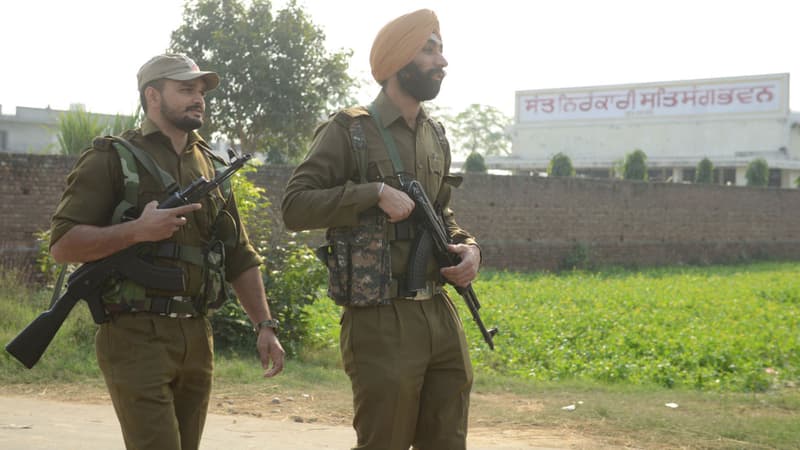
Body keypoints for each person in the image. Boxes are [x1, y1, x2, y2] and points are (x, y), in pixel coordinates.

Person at [49, 53, 285, 450]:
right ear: (153, 96)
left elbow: (239, 254)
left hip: (196, 333)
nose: (199, 98)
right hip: (135, 333)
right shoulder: (112, 157)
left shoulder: (210, 165)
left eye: (201, 91)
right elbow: (63, 244)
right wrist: (137, 231)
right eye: (186, 90)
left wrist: (264, 325)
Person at [281, 9, 480, 450]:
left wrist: (469, 248)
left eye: (441, 49)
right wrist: (371, 194)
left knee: (448, 441)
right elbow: (294, 207)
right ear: (398, 62)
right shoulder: (350, 130)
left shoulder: (436, 135)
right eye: (429, 49)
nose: (441, 60)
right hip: (379, 315)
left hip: (440, 313)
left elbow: (442, 215)